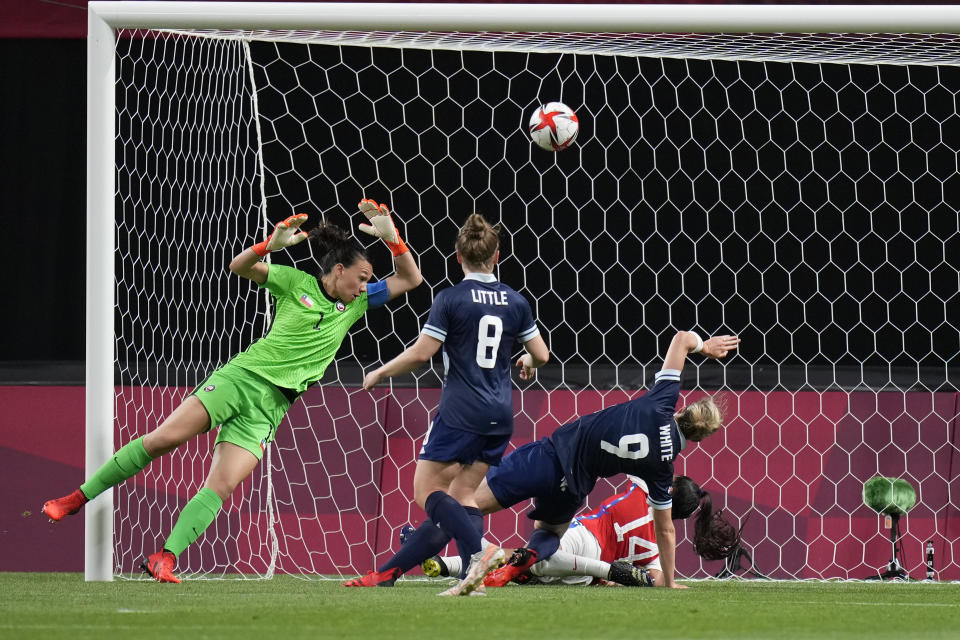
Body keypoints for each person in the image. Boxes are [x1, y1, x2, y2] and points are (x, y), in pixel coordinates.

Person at [42, 199, 423, 583]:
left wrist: (394, 241)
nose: (364, 286)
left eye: (368, 280)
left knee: (222, 485)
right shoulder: (295, 283)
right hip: (240, 379)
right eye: (361, 277)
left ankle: (164, 556)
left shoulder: (355, 305)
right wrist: (269, 247)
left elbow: (410, 279)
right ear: (338, 271)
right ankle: (75, 499)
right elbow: (238, 266)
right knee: (163, 439)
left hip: (270, 408)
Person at [366, 329, 739, 590]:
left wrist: (703, 346)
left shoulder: (662, 401)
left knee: (464, 505)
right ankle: (515, 564)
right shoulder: (662, 469)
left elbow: (681, 340)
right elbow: (667, 531)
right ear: (698, 439)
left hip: (549, 457)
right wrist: (670, 584)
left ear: (682, 412)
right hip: (575, 486)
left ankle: (403, 560)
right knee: (548, 534)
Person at [343, 213, 549, 596]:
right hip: (500, 412)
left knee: (426, 491)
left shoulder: (452, 299)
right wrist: (529, 363)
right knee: (463, 495)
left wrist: (380, 372)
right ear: (497, 256)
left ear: (457, 257)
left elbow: (423, 353)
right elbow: (541, 353)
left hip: (461, 410)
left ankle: (479, 552)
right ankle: (446, 575)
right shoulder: (516, 301)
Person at [424, 475, 739, 587]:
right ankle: (443, 566)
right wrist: (627, 578)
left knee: (523, 558)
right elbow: (656, 578)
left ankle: (447, 561)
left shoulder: (643, 488)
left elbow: (647, 447)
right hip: (583, 575)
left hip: (581, 536)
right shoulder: (658, 546)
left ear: (667, 489)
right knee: (521, 572)